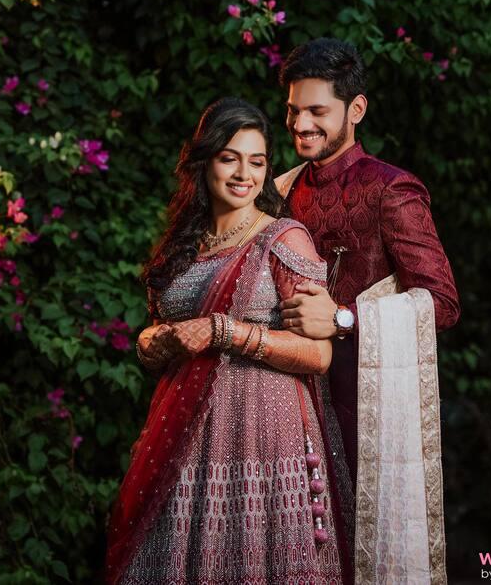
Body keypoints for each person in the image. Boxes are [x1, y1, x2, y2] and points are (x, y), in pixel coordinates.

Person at [104, 97, 355, 585]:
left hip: (264, 431)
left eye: (257, 161)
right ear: (205, 162)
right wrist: (150, 339)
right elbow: (166, 326)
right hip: (183, 433)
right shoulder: (184, 241)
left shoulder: (283, 239)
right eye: (230, 158)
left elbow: (319, 355)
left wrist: (225, 331)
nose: (245, 173)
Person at [274, 38, 461, 585]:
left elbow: (442, 302)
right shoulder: (280, 190)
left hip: (364, 401)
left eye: (316, 112)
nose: (300, 124)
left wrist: (342, 318)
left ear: (355, 110)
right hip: (287, 398)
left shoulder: (390, 189)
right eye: (293, 111)